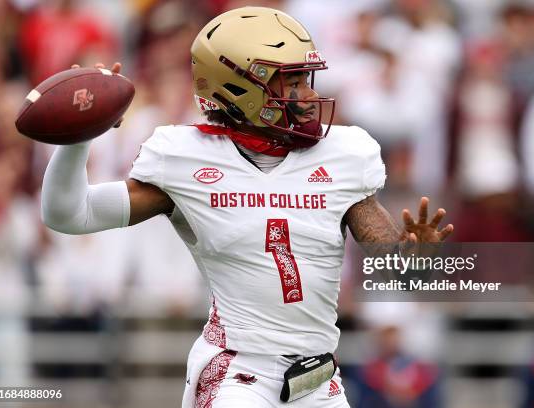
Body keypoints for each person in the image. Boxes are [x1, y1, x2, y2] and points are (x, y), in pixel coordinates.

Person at [40, 6, 453, 408]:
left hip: (319, 379)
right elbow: (71, 214)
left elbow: (391, 256)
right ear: (240, 89)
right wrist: (80, 137)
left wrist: (411, 258)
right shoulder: (186, 156)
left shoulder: (345, 154)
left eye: (306, 80)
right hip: (238, 373)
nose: (309, 97)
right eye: (292, 84)